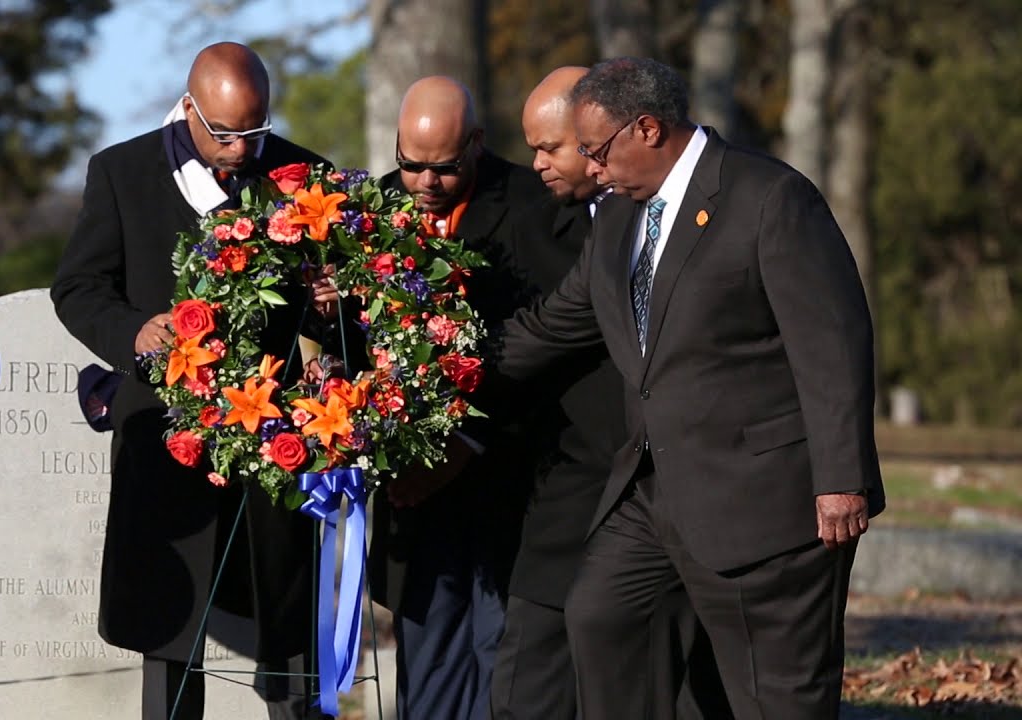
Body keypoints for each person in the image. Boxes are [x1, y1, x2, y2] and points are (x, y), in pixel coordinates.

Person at [494, 57, 885, 719]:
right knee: (600, 617)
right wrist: (425, 375)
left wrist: (842, 477)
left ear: (646, 128)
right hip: (653, 494)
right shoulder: (619, 219)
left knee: (775, 696)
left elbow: (833, 343)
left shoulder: (767, 198)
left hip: (767, 500)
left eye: (595, 150)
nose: (589, 168)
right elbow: (552, 326)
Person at [51, 42, 333, 720]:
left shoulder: (304, 175)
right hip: (168, 432)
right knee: (169, 629)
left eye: (255, 131)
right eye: (226, 132)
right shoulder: (121, 172)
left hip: (274, 433)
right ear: (188, 108)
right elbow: (79, 287)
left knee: (287, 619)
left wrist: (330, 309)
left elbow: (334, 300)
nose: (241, 148)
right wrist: (133, 333)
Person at [490, 66, 726, 720]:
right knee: (545, 672)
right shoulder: (544, 222)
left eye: (554, 147)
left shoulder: (715, 204)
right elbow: (540, 330)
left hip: (691, 485)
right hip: (573, 488)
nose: (535, 162)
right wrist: (439, 374)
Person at [366, 75, 548, 720]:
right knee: (430, 649)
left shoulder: (532, 203)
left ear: (474, 143)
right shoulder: (377, 208)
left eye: (443, 168)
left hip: (509, 476)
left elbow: (553, 345)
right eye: (409, 164)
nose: (424, 183)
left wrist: (467, 442)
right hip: (413, 483)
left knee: (501, 651)